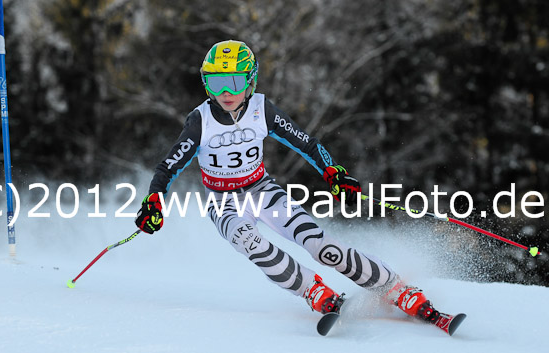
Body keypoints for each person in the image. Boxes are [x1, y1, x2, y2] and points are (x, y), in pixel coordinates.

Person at [135, 40, 463, 334]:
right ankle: (313, 291)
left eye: (234, 81)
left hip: (262, 191)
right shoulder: (200, 120)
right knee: (251, 243)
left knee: (323, 248)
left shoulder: (262, 110)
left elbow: (306, 143)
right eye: (217, 81)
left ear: (250, 81)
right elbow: (169, 166)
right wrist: (154, 201)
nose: (226, 92)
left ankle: (400, 291)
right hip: (224, 203)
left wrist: (333, 173)